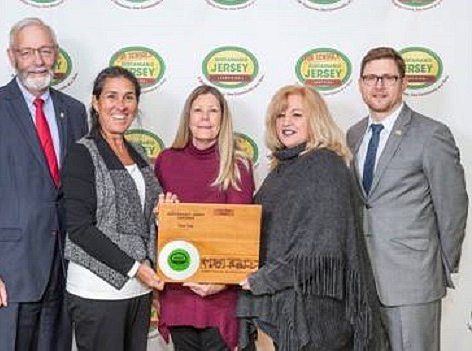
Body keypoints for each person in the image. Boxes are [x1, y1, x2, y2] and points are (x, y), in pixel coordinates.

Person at [0, 17, 88, 351]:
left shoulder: (73, 112)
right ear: (12, 56)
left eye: (44, 50)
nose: (38, 60)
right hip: (8, 275)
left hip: (64, 270)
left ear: (56, 54)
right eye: (27, 52)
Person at [237, 85, 384, 351]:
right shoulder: (283, 168)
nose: (286, 122)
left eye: (296, 115)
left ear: (315, 120)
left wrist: (262, 280)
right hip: (282, 303)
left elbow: (319, 251)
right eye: (280, 116)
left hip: (314, 314)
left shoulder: (324, 165)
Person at [347, 47, 468, 351]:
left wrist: (437, 267)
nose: (378, 85)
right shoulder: (354, 134)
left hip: (413, 282)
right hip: (365, 280)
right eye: (371, 78)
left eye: (388, 77)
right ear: (360, 84)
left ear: (403, 83)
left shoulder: (431, 134)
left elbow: (453, 206)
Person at [62, 66, 164, 351]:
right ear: (96, 103)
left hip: (138, 290)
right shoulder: (82, 153)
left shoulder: (139, 154)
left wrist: (164, 212)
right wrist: (134, 268)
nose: (121, 106)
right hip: (97, 291)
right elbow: (80, 229)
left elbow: (146, 214)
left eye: (129, 97)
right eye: (111, 96)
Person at [154, 85, 255, 351]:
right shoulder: (166, 161)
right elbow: (158, 229)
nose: (205, 117)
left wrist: (221, 282)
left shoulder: (238, 165)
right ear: (188, 116)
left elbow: (240, 236)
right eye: (198, 110)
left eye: (213, 111)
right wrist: (160, 219)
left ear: (223, 119)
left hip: (220, 298)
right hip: (178, 294)